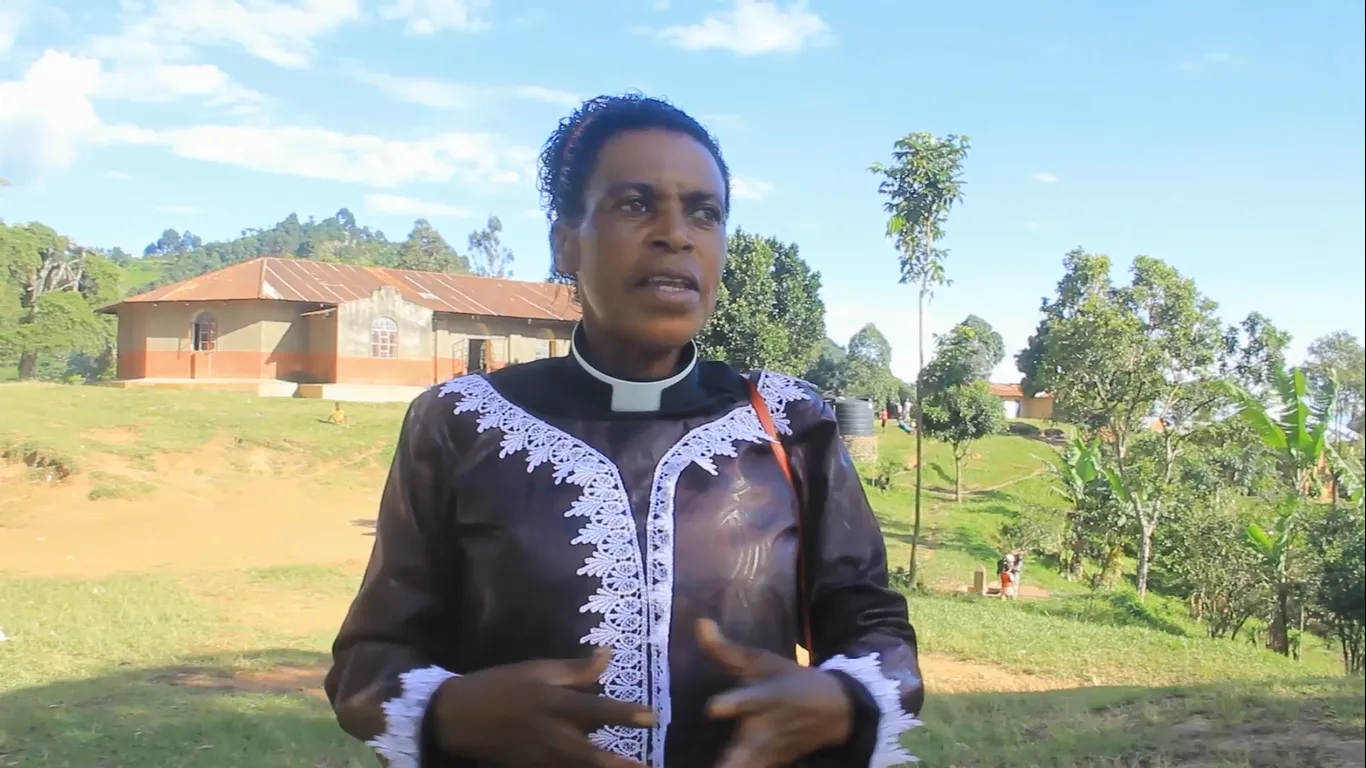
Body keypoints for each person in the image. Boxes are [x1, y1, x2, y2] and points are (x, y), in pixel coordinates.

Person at [324, 94, 924, 768]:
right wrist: (454, 711)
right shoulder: (461, 422)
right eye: (636, 204)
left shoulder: (788, 421)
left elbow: (874, 627)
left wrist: (845, 698)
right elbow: (368, 663)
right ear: (565, 242)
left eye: (705, 212)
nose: (677, 234)